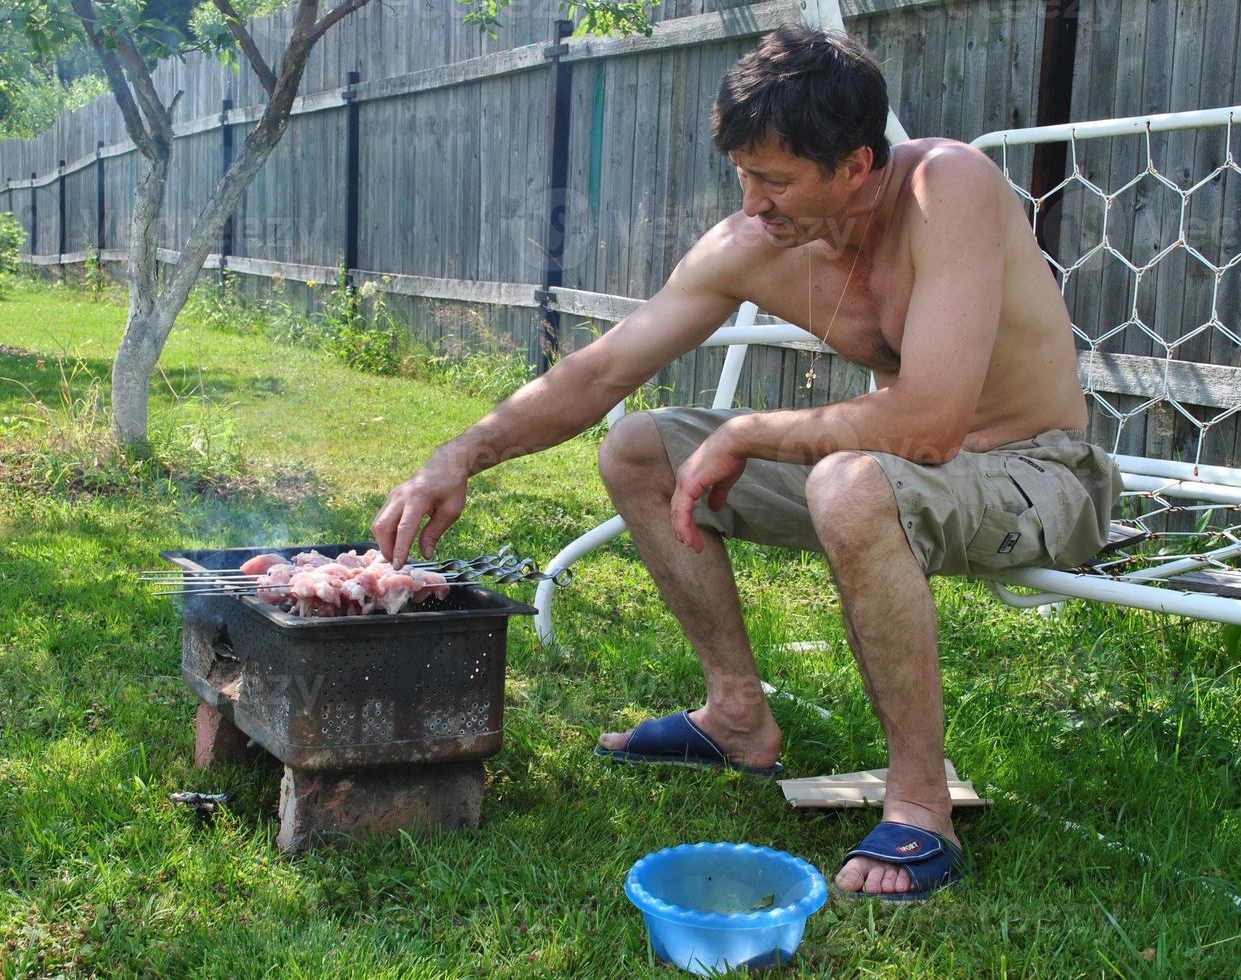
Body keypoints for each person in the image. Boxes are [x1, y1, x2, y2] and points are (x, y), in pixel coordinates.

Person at [372, 25, 1120, 902]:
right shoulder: (756, 244)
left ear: (856, 166)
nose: (755, 204)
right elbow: (601, 370)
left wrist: (750, 432)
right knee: (638, 446)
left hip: (1036, 472)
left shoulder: (945, 187)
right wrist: (457, 455)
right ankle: (735, 715)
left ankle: (920, 805)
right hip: (907, 479)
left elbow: (931, 420)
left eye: (777, 181)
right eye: (744, 177)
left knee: (847, 476)